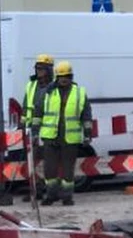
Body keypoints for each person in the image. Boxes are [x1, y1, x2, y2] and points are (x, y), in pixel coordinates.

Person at [34, 61, 92, 206]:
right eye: (61, 76)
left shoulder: (79, 93)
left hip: (69, 138)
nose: (64, 79)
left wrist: (88, 133)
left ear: (71, 77)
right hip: (50, 137)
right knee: (49, 169)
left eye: (66, 76)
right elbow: (37, 113)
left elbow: (86, 115)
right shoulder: (48, 92)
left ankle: (67, 197)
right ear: (57, 77)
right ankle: (51, 195)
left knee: (68, 170)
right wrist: (35, 132)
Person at [22, 54, 55, 200]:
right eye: (37, 68)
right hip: (32, 130)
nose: (39, 71)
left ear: (49, 70)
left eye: (42, 68)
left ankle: (51, 191)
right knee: (32, 162)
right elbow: (26, 106)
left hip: (48, 130)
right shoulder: (31, 85)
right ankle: (36, 190)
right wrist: (23, 124)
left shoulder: (54, 87)